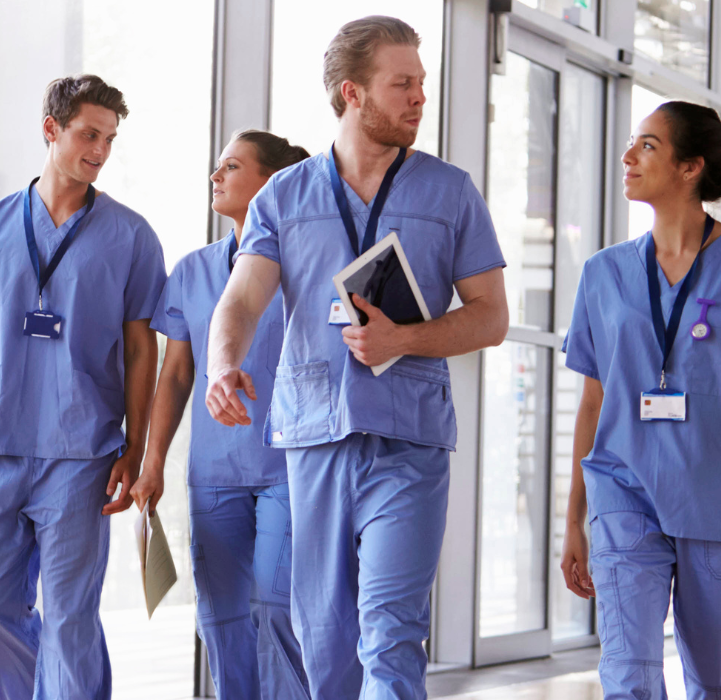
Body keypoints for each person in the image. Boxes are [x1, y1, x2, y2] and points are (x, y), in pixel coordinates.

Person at [203, 17, 510, 699]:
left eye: (422, 84)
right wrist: (222, 364)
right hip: (315, 438)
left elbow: (491, 316)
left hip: (409, 441)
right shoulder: (283, 196)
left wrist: (405, 339)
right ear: (352, 92)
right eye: (402, 84)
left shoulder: (450, 192)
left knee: (391, 634)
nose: (418, 98)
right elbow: (243, 299)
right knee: (326, 640)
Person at [557, 101, 721, 698]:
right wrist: (573, 518)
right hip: (623, 490)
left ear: (690, 168)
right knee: (628, 677)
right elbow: (592, 403)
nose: (628, 156)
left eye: (647, 146)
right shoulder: (603, 275)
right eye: (632, 143)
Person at [0, 74, 166, 700]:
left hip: (81, 452)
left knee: (68, 616)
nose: (100, 150)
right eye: (89, 134)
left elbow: (143, 347)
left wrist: (135, 445)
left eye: (110, 139)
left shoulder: (131, 235)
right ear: (50, 129)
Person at [130, 129, 312, 700]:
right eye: (217, 167)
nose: (216, 176)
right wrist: (152, 462)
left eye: (231, 167)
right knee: (222, 620)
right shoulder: (191, 270)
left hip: (291, 467)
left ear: (271, 183)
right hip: (213, 476)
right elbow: (176, 375)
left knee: (276, 606)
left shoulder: (306, 265)